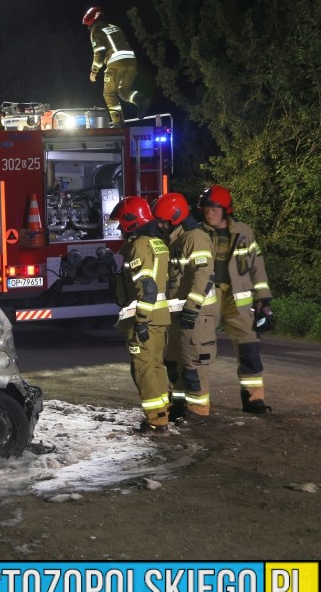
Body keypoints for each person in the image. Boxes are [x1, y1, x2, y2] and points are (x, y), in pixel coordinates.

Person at [198, 185, 274, 415]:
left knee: (249, 347)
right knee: (197, 350)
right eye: (205, 209)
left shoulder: (244, 232)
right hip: (208, 298)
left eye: (213, 209)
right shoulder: (196, 233)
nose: (208, 213)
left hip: (237, 298)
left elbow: (256, 266)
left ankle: (253, 400)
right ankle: (195, 404)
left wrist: (264, 298)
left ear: (225, 210)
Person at [152, 193, 217, 423]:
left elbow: (203, 275)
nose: (160, 225)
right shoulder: (175, 239)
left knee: (193, 364)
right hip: (178, 313)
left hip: (196, 314)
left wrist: (192, 306)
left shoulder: (195, 239)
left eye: (163, 220)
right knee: (175, 362)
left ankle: (198, 412)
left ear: (176, 217)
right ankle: (179, 405)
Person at [110, 196, 171, 435]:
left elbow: (147, 287)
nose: (118, 228)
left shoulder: (139, 246)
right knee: (156, 367)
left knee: (144, 370)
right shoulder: (158, 243)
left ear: (130, 220)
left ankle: (156, 422)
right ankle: (162, 415)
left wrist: (142, 320)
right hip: (161, 318)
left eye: (121, 223)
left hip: (146, 319)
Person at [82, 6, 150, 127]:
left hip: (115, 63)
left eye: (88, 26)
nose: (89, 29)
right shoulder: (115, 27)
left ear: (91, 23)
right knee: (123, 92)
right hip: (131, 61)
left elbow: (99, 52)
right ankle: (141, 100)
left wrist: (94, 72)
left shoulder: (96, 31)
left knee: (109, 94)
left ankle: (118, 122)